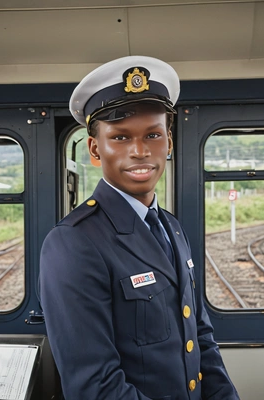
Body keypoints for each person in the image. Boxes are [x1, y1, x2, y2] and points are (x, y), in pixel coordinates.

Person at [39, 56, 240, 400]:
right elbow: (96, 387)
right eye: (119, 137)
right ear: (94, 149)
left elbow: (201, 338)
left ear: (169, 143)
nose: (140, 151)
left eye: (153, 134)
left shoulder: (172, 228)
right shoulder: (74, 242)